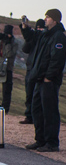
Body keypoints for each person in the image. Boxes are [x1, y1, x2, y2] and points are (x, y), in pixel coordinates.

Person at [24, 9, 66, 153]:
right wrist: (25, 27)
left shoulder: (58, 36)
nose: (45, 19)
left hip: (49, 81)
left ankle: (52, 143)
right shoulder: (45, 35)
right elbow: (32, 37)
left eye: (48, 17)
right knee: (37, 109)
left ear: (55, 20)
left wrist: (49, 77)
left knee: (50, 111)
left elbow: (57, 59)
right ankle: (40, 140)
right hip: (39, 79)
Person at [19, 18, 46, 124]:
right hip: (30, 69)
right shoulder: (33, 38)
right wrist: (30, 40)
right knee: (29, 93)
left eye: (41, 28)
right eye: (38, 28)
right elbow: (25, 49)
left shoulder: (44, 39)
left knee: (38, 95)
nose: (39, 30)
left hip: (38, 70)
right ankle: (29, 116)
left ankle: (38, 117)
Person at [0, 24, 19, 114]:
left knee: (6, 90)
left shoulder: (14, 43)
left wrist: (8, 43)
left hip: (7, 68)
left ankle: (5, 109)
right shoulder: (1, 41)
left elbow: (9, 54)